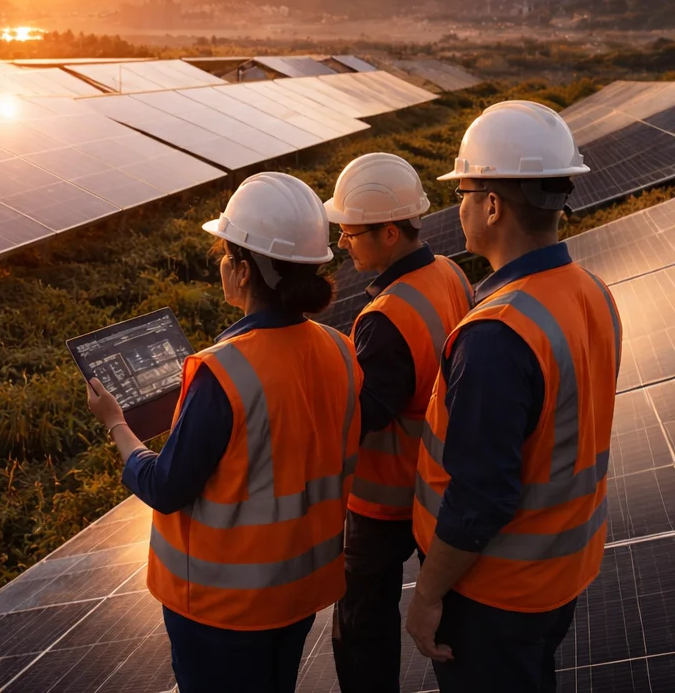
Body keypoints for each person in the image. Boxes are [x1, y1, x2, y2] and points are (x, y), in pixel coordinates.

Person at [86, 171, 362, 693]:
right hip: (299, 592)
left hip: (224, 611)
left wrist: (117, 424)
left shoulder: (224, 372)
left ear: (239, 270)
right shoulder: (340, 348)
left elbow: (166, 487)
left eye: (224, 254)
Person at [407, 100, 622, 692]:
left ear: (494, 204)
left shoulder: (497, 334)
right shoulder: (592, 293)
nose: (460, 206)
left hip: (492, 594)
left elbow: (481, 497)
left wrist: (427, 596)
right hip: (556, 576)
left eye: (465, 191)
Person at [324, 152, 473, 693]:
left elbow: (361, 417)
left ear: (389, 233)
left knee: (363, 630)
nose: (342, 243)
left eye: (350, 232)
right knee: (452, 622)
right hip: (435, 485)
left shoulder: (385, 318)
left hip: (382, 501)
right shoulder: (450, 273)